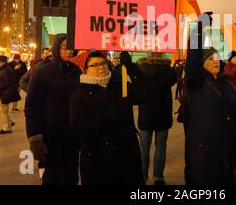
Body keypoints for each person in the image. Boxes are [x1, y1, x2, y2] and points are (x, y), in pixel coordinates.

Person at [184, 13, 236, 185]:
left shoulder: (226, 83)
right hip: (204, 152)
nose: (215, 61)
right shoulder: (195, 83)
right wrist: (201, 27)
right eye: (209, 58)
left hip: (228, 150)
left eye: (217, 57)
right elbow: (192, 57)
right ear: (201, 63)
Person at [70, 51, 146, 185]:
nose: (101, 67)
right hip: (97, 160)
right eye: (95, 65)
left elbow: (145, 94)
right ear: (85, 69)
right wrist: (111, 114)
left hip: (126, 157)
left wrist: (132, 68)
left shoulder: (120, 85)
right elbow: (80, 129)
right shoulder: (79, 95)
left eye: (103, 63)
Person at [24, 34, 81, 185]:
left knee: (71, 174)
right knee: (52, 176)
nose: (68, 51)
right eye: (63, 47)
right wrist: (34, 136)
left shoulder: (77, 72)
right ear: (56, 49)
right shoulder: (42, 72)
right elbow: (31, 106)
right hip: (50, 136)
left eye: (70, 47)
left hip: (72, 135)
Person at [137, 53, 177, 185]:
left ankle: (142, 177)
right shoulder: (170, 71)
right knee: (161, 147)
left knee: (144, 147)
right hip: (163, 114)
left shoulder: (141, 70)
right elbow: (175, 79)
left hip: (145, 114)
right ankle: (158, 178)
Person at [0, 56, 21, 134]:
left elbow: (7, 83)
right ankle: (10, 122)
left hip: (5, 94)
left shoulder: (5, 70)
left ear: (1, 62)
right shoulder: (5, 69)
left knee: (4, 111)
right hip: (2, 93)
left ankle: (7, 128)